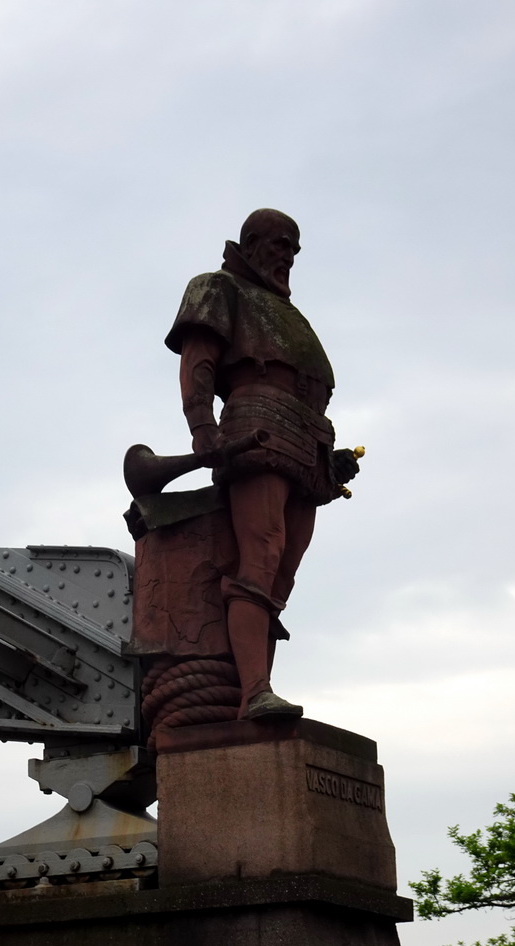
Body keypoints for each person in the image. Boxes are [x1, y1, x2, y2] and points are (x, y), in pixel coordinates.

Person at [164, 209, 359, 720]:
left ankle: (258, 687)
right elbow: (198, 359)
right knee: (262, 555)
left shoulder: (286, 313)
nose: (288, 256)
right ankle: (254, 692)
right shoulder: (217, 286)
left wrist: (330, 456)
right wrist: (202, 425)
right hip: (257, 421)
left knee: (282, 576)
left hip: (309, 435)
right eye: (279, 245)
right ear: (250, 243)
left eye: (294, 248)